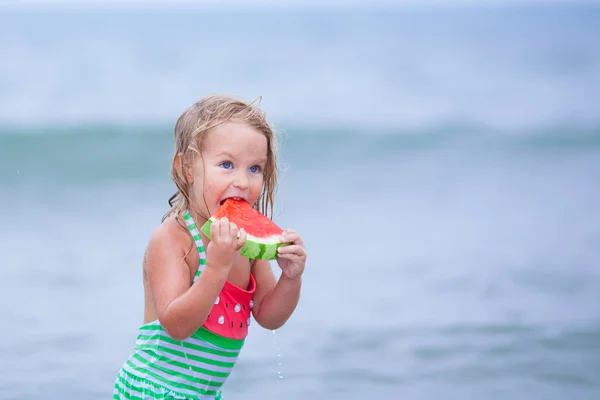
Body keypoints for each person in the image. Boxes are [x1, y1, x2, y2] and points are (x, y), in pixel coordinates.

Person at [113, 94, 307, 399]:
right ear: (187, 168)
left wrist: (291, 279)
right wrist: (217, 266)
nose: (243, 181)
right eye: (227, 164)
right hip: (152, 392)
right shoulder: (174, 239)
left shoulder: (247, 244)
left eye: (255, 168)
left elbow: (269, 316)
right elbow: (176, 325)